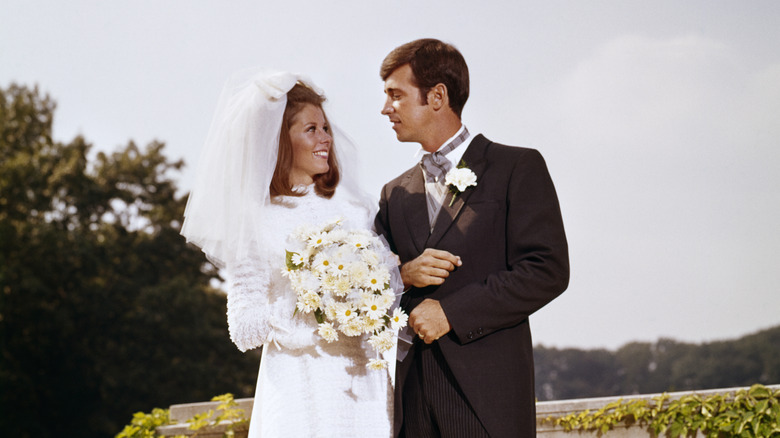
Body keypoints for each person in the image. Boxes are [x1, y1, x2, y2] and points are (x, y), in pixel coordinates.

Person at [181, 70, 394, 437]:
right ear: (279, 140)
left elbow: (386, 292)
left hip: (364, 382)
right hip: (299, 386)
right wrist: (314, 301)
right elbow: (243, 328)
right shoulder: (257, 222)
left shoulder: (358, 210)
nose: (325, 138)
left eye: (325, 128)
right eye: (311, 129)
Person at [374, 39, 570, 437]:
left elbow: (546, 269)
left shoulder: (517, 167)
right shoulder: (394, 194)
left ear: (437, 96)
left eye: (396, 95)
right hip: (412, 401)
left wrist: (452, 313)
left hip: (487, 399)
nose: (385, 108)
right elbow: (374, 281)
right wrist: (405, 274)